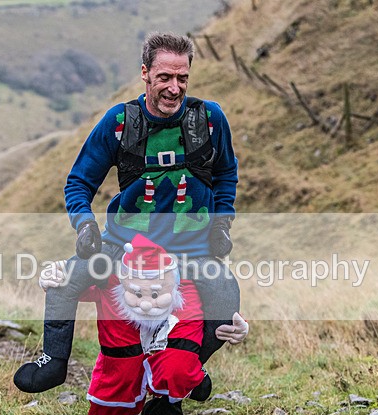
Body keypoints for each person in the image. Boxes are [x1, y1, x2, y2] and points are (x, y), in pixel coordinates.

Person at [14, 32, 240, 394]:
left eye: (182, 77)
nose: (174, 87)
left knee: (226, 300)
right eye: (165, 77)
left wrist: (222, 221)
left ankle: (189, 371)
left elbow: (227, 172)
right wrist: (86, 226)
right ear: (145, 73)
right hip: (124, 246)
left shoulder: (210, 119)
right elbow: (78, 183)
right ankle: (53, 363)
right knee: (64, 281)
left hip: (193, 249)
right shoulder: (119, 123)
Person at [39, 235, 248, 415]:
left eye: (157, 293)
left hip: (172, 341)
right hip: (121, 346)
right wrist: (52, 278)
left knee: (179, 367)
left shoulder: (188, 284)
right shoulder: (112, 278)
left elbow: (220, 306)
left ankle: (165, 414)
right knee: (115, 393)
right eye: (137, 293)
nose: (147, 303)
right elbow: (72, 285)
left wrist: (238, 326)